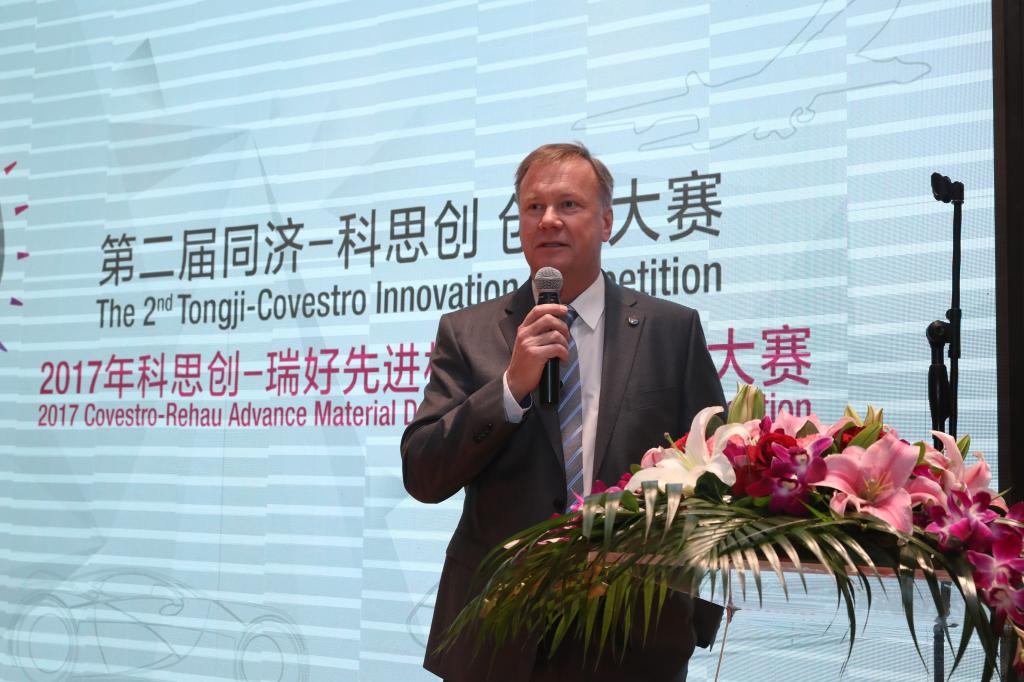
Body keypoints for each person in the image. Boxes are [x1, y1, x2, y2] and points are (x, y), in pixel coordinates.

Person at [401, 143, 726, 681]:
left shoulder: (672, 331)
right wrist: (509, 388)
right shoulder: (469, 333)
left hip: (635, 634)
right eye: (533, 207)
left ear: (606, 222)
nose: (548, 219)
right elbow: (423, 473)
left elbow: (717, 472)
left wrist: (690, 615)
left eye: (569, 205)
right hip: (497, 636)